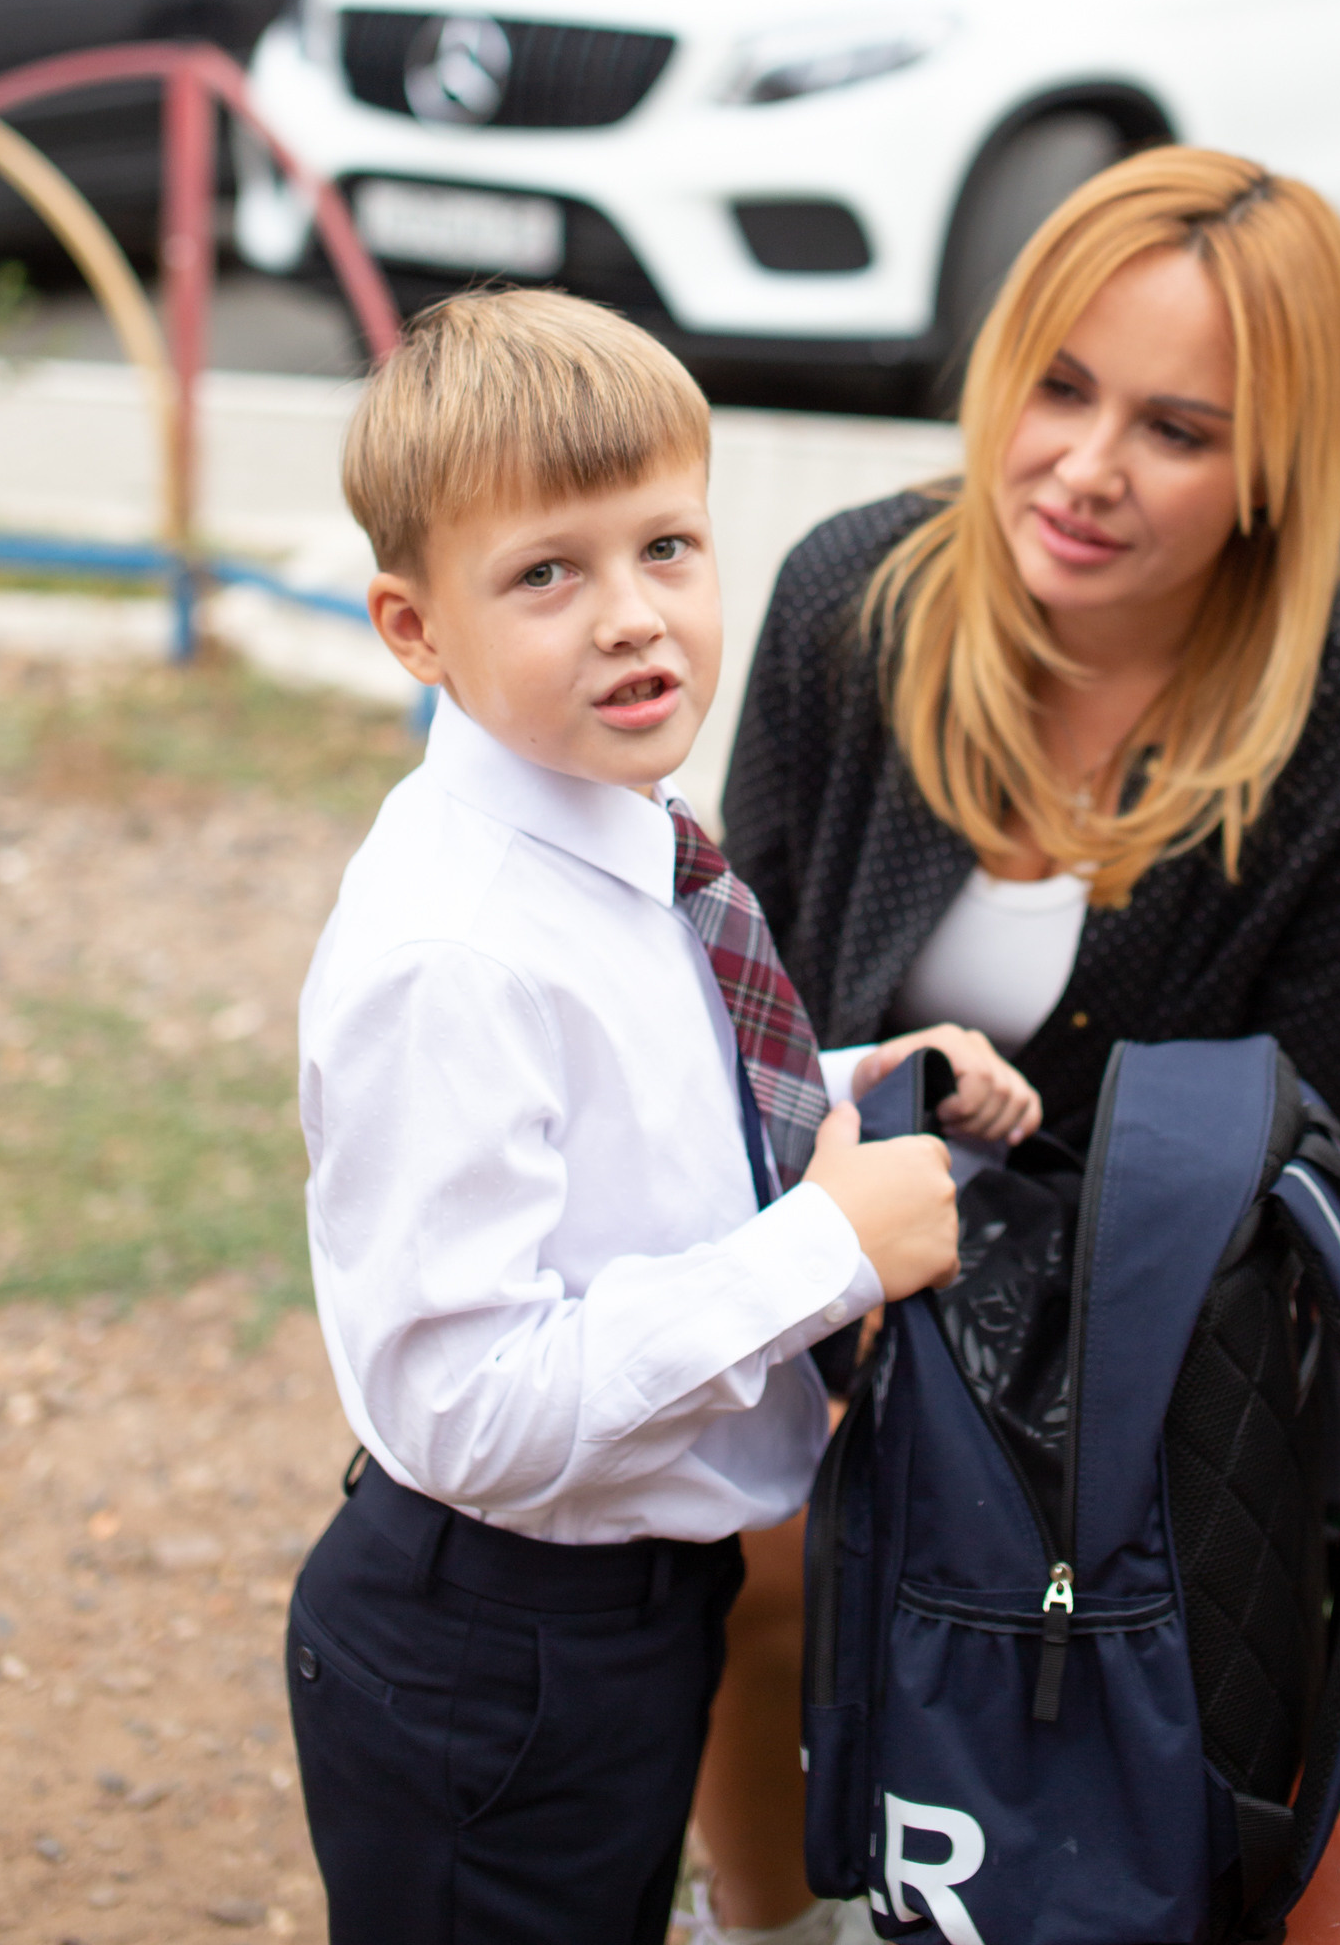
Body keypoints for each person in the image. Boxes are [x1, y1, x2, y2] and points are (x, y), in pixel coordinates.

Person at [689, 145, 1340, 1940]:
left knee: (870, 1560)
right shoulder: (860, 602)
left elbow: (1298, 1161)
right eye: (1058, 385)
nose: (1084, 468)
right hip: (848, 1252)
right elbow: (750, 1020)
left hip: (1164, 1330)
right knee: (728, 1537)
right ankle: (770, 1920)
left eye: (1177, 430)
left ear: (1276, 466)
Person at [285, 289, 966, 1945]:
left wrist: (844, 1092)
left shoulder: (622, 824)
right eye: (546, 574)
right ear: (412, 627)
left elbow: (644, 1125)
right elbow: (466, 1403)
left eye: (667, 547)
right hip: (499, 1656)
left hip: (639, 1608)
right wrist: (820, 1255)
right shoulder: (453, 953)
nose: (632, 619)